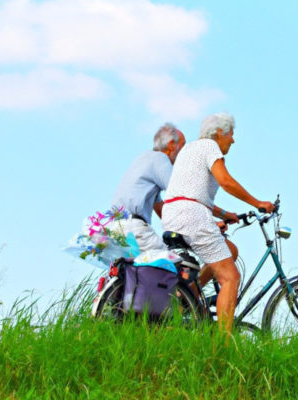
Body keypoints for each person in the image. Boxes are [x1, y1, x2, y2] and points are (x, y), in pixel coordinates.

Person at [162, 113, 275, 333]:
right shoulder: (210, 146)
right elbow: (225, 181)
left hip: (174, 214)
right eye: (231, 135)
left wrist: (223, 214)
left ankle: (189, 296)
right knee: (230, 277)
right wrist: (257, 202)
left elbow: (190, 192)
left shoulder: (190, 150)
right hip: (191, 215)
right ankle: (221, 348)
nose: (233, 140)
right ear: (220, 133)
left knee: (229, 250)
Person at [109, 123, 186, 251]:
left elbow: (161, 208)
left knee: (136, 269)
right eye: (183, 146)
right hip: (133, 228)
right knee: (175, 264)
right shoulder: (160, 158)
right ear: (172, 144)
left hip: (115, 229)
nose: (184, 153)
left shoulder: (143, 159)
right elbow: (181, 193)